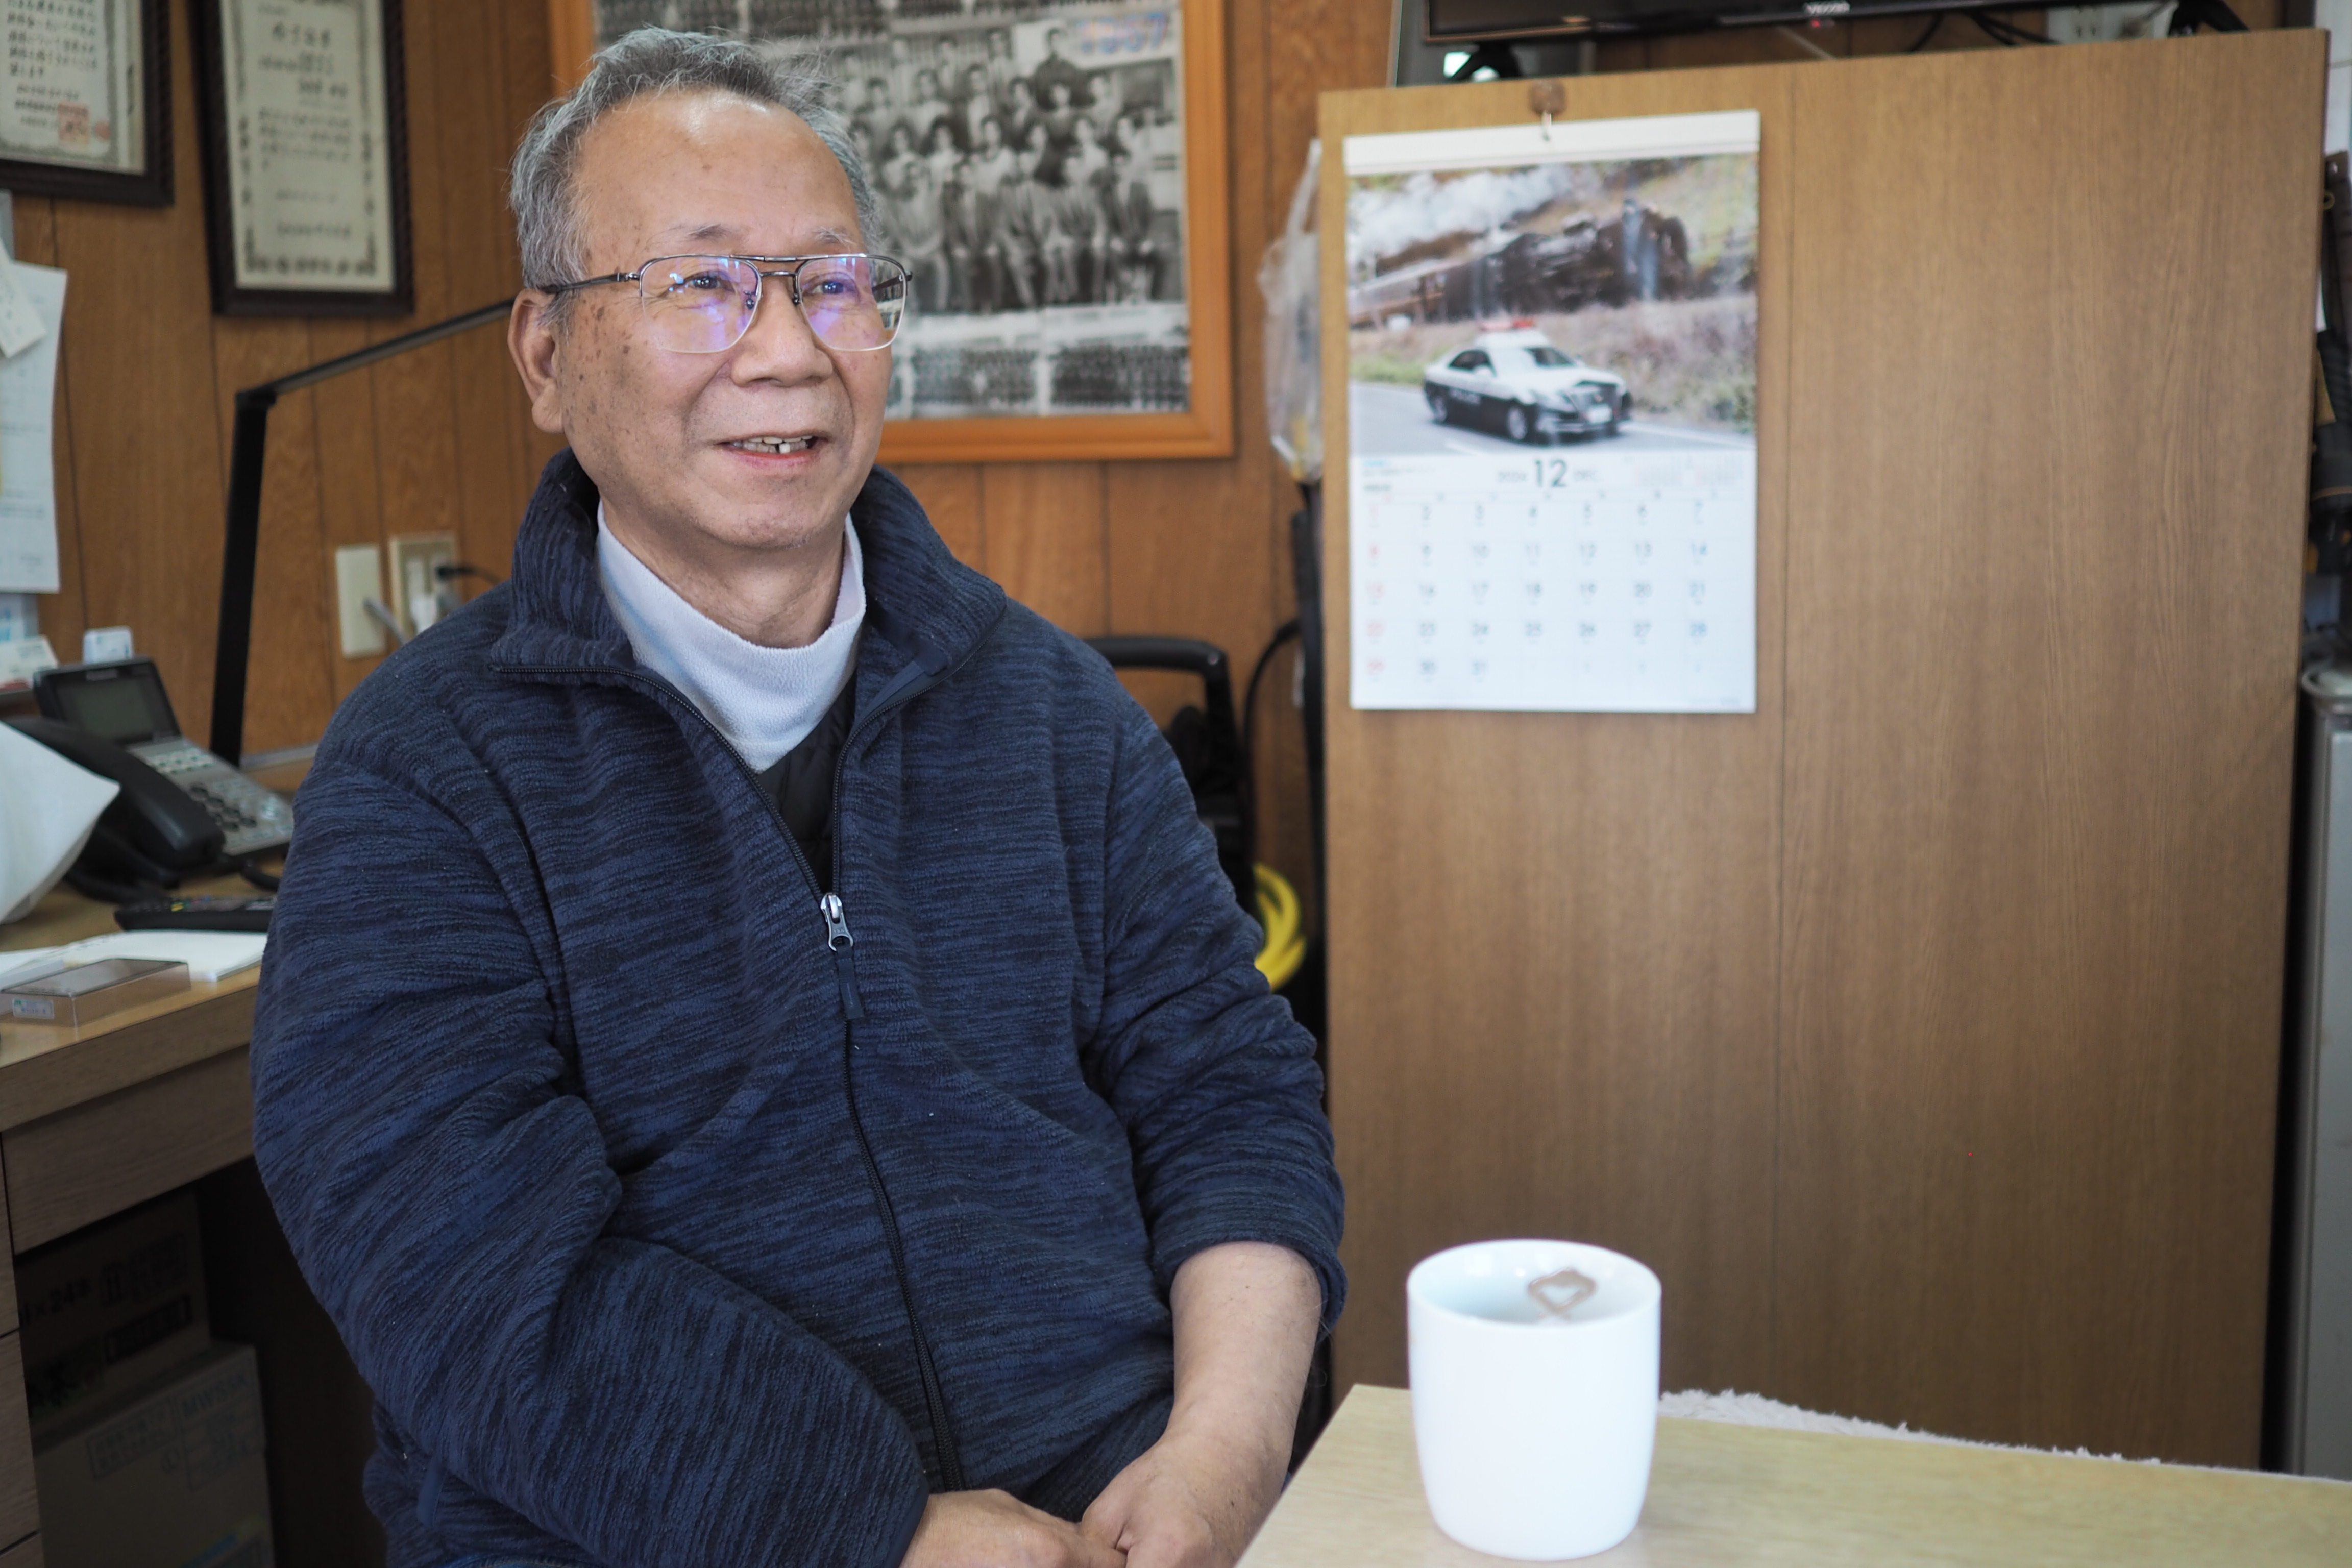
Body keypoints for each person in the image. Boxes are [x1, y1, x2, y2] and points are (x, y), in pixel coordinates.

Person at [249, 26, 1339, 1568]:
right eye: (700, 282)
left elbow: (1228, 1090)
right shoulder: (421, 778)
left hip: (1121, 1524)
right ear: (547, 355)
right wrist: (874, 1530)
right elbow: (463, 1278)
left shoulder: (1057, 716)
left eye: (834, 284)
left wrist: (1221, 1459)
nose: (785, 350)